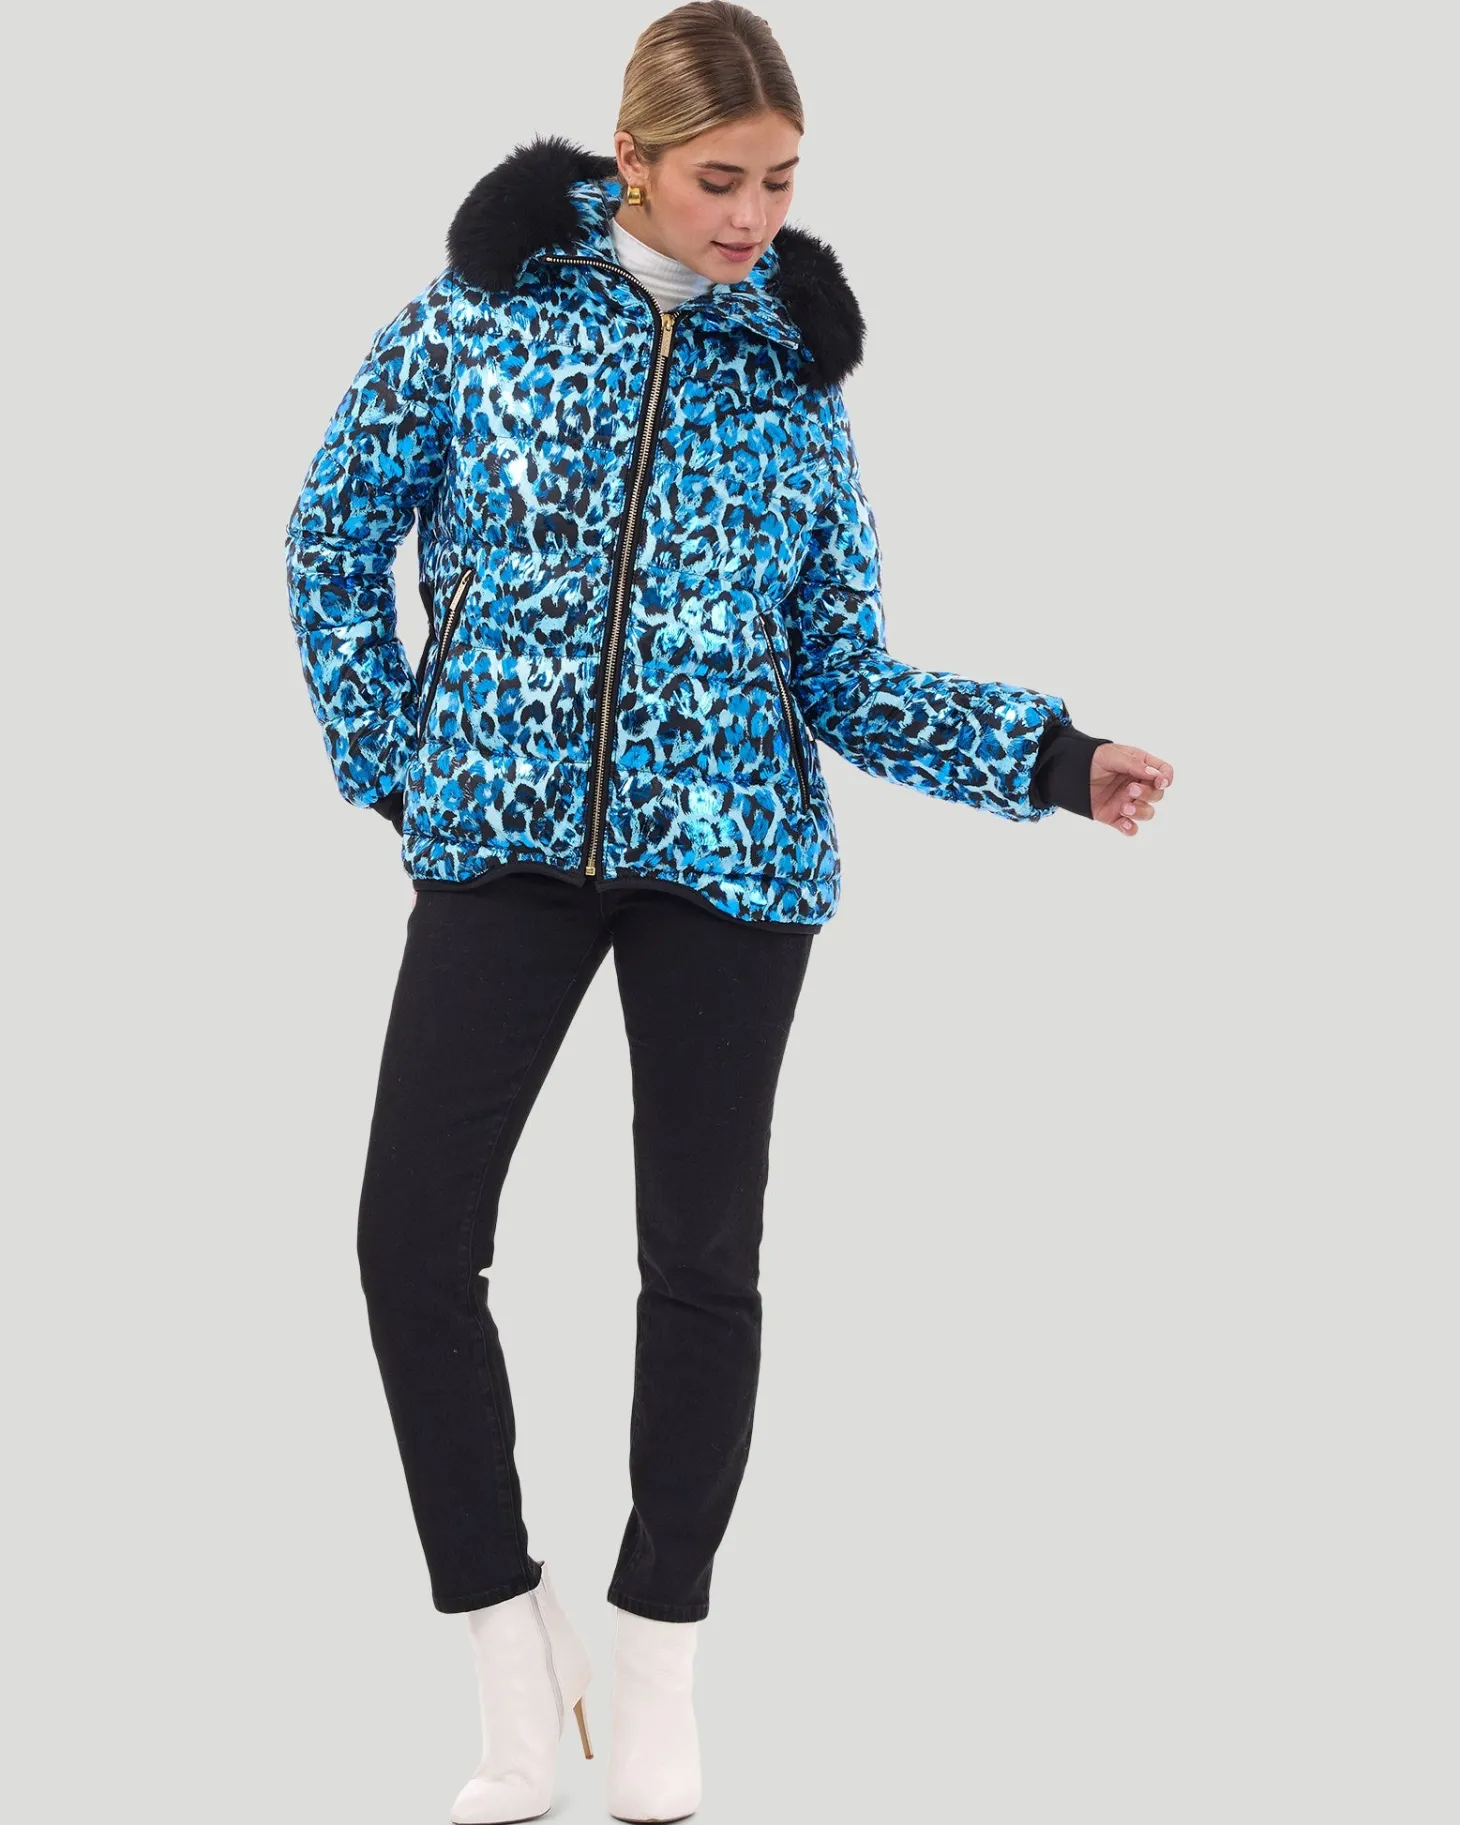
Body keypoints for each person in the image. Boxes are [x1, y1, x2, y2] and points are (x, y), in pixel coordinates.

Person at [283, 5, 1174, 1820]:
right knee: (409, 1241)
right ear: (631, 160)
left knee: (700, 1260)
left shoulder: (791, 379)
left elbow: (842, 671)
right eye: (720, 179)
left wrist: (1050, 757)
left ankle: (658, 1655)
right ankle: (506, 1644)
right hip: (502, 846)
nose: (755, 215)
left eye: (781, 181)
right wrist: (399, 765)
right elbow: (329, 536)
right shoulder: (477, 320)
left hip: (736, 863)